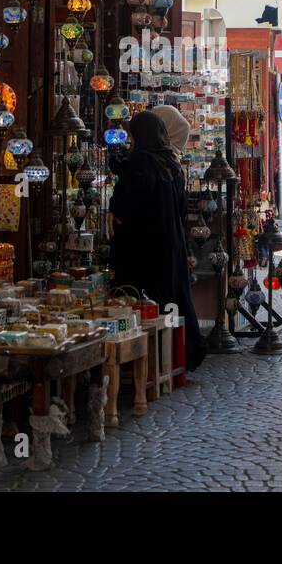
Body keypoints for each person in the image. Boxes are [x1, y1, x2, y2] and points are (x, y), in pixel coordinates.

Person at [108, 110, 205, 371]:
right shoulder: (171, 164)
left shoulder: (142, 161)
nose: (131, 141)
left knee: (145, 304)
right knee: (171, 302)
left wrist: (116, 209)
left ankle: (149, 362)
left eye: (132, 136)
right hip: (170, 245)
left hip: (144, 248)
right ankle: (177, 356)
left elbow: (129, 201)